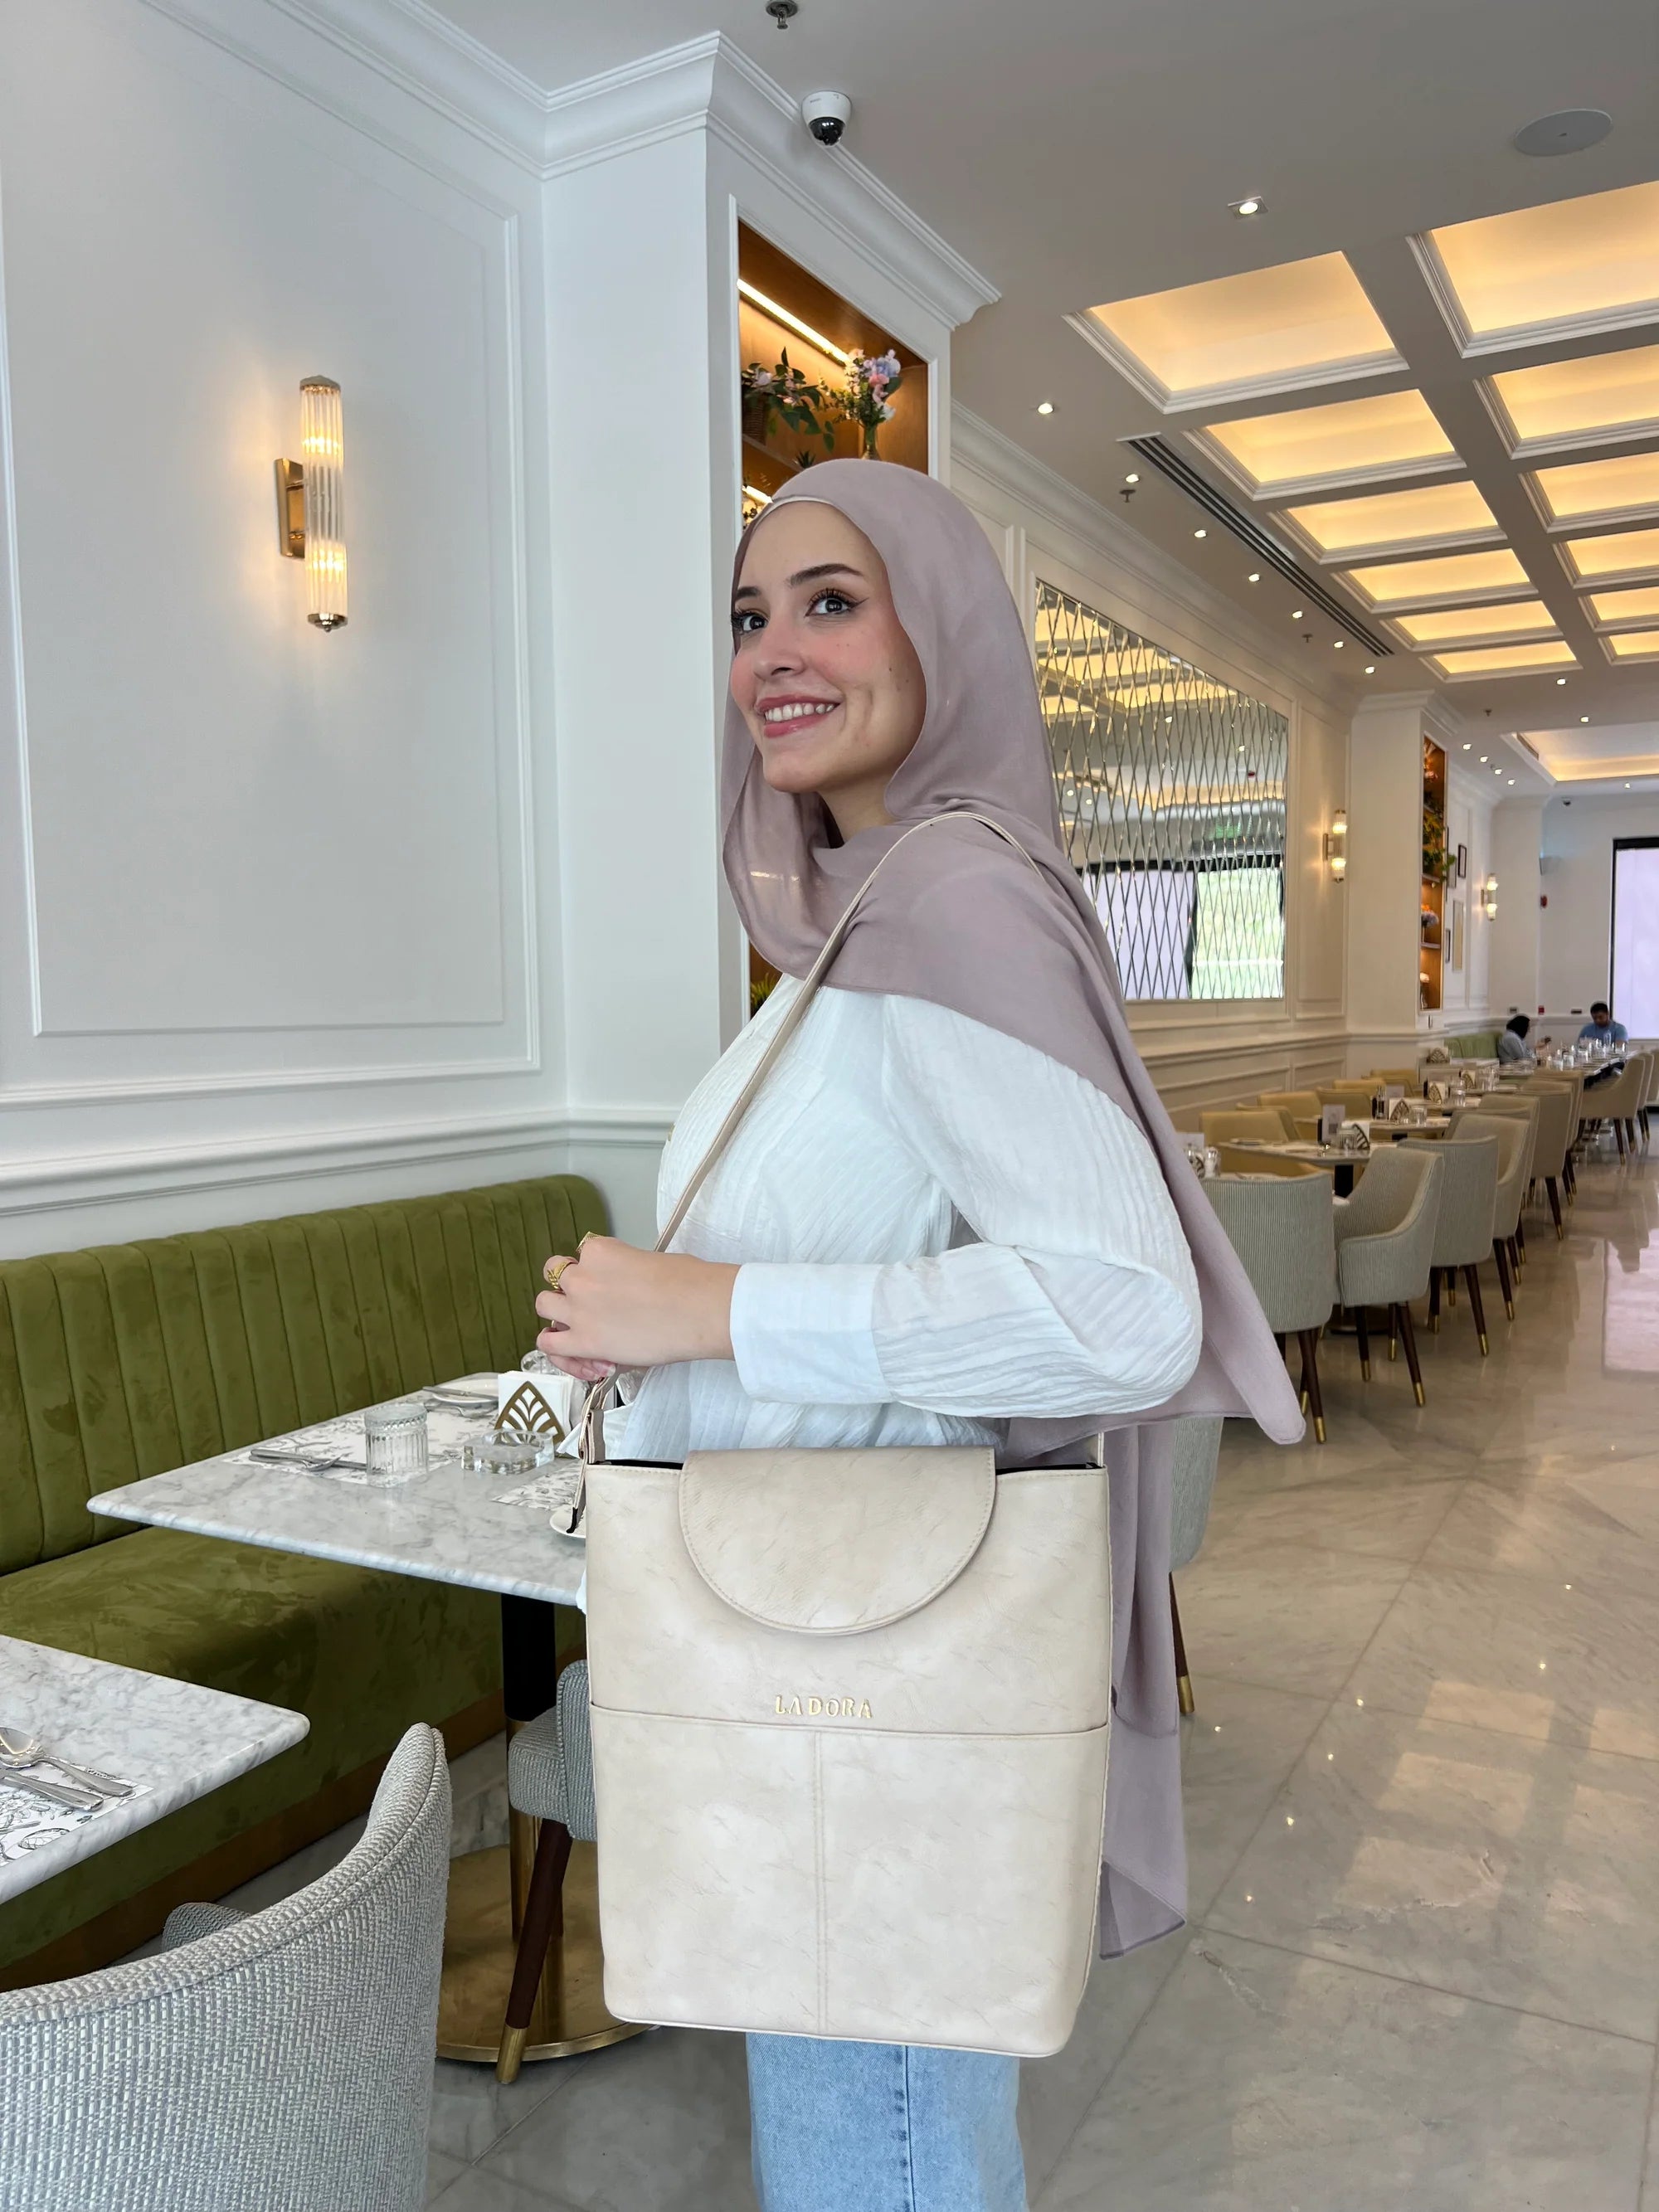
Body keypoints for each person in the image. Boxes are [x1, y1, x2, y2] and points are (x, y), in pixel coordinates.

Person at [533, 462, 1301, 2212]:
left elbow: (1123, 1311)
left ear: (943, 631)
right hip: (813, 1628)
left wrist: (714, 1309)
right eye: (750, 613)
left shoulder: (950, 899)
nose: (773, 652)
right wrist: (657, 1328)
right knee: (888, 2131)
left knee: (876, 2150)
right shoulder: (863, 918)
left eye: (833, 600)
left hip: (860, 1662)